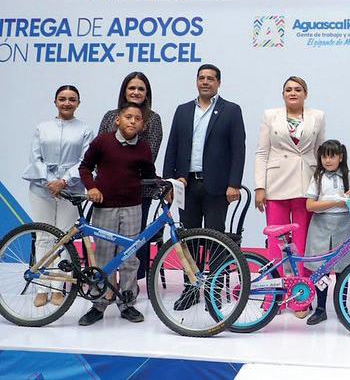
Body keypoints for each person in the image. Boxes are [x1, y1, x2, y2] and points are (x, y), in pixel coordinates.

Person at [163, 64, 246, 311]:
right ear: (196, 81)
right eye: (201, 78)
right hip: (186, 185)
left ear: (218, 83)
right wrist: (169, 182)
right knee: (187, 239)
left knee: (215, 240)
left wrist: (234, 183)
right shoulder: (183, 110)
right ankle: (190, 289)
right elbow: (172, 146)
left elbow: (238, 149)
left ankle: (214, 291)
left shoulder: (231, 110)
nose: (205, 82)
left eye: (211, 78)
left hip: (217, 187)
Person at [78, 102, 157, 326]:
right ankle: (98, 304)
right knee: (104, 256)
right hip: (105, 207)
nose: (133, 121)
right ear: (118, 120)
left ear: (143, 125)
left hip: (133, 207)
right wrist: (91, 187)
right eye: (128, 117)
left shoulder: (144, 148)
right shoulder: (102, 142)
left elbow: (149, 175)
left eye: (138, 119)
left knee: (129, 257)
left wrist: (167, 185)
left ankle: (127, 303)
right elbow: (85, 167)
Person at [22, 85, 94, 308]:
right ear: (55, 102)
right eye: (62, 99)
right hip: (41, 188)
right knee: (43, 237)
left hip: (71, 190)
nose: (67, 103)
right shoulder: (42, 128)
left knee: (64, 239)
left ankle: (58, 288)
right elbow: (35, 158)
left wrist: (63, 182)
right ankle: (41, 288)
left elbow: (85, 161)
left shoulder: (85, 130)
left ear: (78, 103)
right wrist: (49, 182)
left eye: (72, 99)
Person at [254, 76, 325, 289]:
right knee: (277, 242)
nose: (293, 93)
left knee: (303, 242)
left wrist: (323, 186)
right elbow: (262, 152)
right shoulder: (270, 115)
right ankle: (276, 292)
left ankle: (301, 293)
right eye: (288, 90)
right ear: (283, 94)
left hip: (306, 186)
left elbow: (320, 152)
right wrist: (259, 187)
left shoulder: (318, 116)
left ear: (306, 94)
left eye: (298, 89)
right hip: (276, 185)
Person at [98, 72, 162, 283]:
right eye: (131, 88)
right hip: (108, 191)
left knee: (132, 243)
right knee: (106, 240)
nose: (136, 92)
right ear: (124, 91)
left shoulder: (153, 119)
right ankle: (107, 286)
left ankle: (129, 288)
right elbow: (99, 150)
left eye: (140, 89)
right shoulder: (110, 116)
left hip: (138, 191)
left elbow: (149, 156)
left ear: (147, 93)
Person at [303, 140, 350, 325]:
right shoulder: (317, 177)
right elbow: (310, 205)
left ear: (340, 157)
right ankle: (320, 309)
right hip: (321, 226)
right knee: (321, 270)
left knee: (344, 269)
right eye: (324, 156)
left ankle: (342, 308)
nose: (327, 160)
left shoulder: (349, 176)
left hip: (343, 226)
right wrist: (336, 201)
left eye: (332, 156)